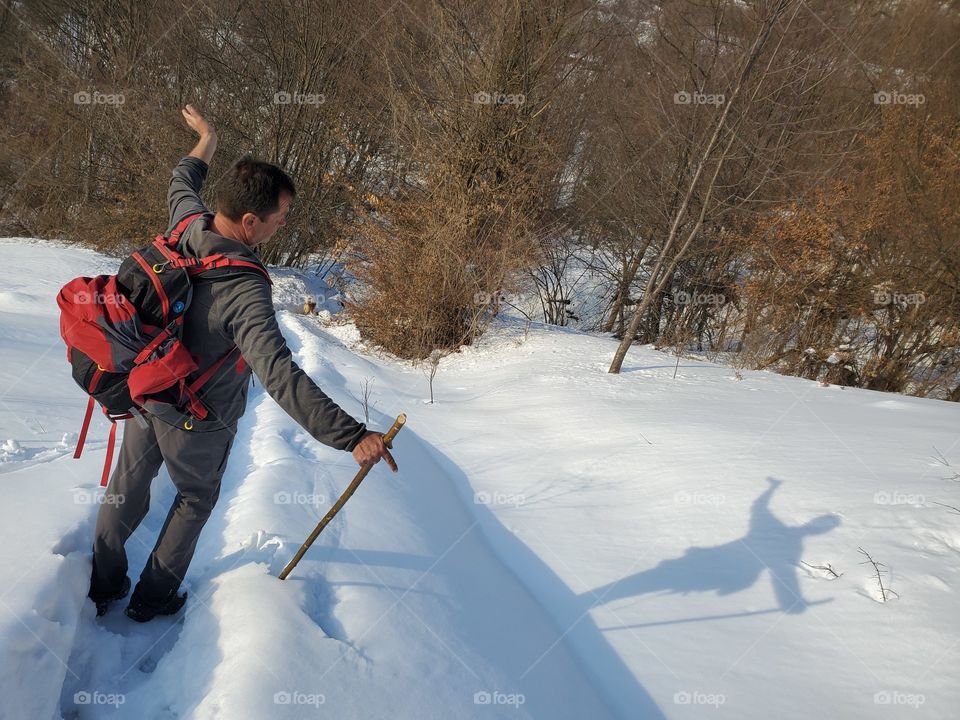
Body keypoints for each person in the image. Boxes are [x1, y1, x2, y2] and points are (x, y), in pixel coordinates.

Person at [87, 104, 397, 622]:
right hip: (198, 418)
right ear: (250, 222)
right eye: (280, 217)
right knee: (194, 497)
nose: (283, 224)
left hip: (145, 391)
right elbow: (279, 373)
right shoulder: (245, 290)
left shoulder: (187, 224)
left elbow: (183, 178)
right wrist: (351, 435)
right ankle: (152, 600)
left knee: (127, 489)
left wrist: (207, 138)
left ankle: (102, 584)